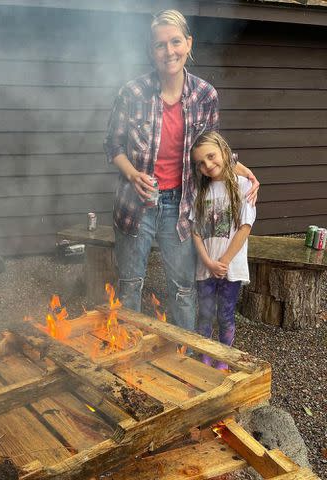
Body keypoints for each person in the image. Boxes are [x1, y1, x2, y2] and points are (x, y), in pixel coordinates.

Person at [103, 9, 259, 332]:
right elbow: (112, 146)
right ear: (151, 51)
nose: (168, 51)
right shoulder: (131, 94)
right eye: (160, 45)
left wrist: (243, 170)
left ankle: (185, 356)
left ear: (189, 43)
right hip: (135, 204)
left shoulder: (205, 96)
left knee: (183, 288)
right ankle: (125, 354)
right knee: (130, 284)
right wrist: (133, 174)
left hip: (182, 205)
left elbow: (211, 150)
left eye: (175, 42)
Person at [190, 131, 256, 369]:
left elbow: (244, 227)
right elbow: (195, 231)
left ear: (224, 151)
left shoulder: (243, 185)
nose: (208, 165)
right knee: (205, 314)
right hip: (205, 269)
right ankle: (205, 355)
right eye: (201, 163)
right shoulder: (201, 191)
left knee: (225, 315)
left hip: (231, 268)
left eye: (211, 156)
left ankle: (224, 359)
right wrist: (208, 262)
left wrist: (224, 261)